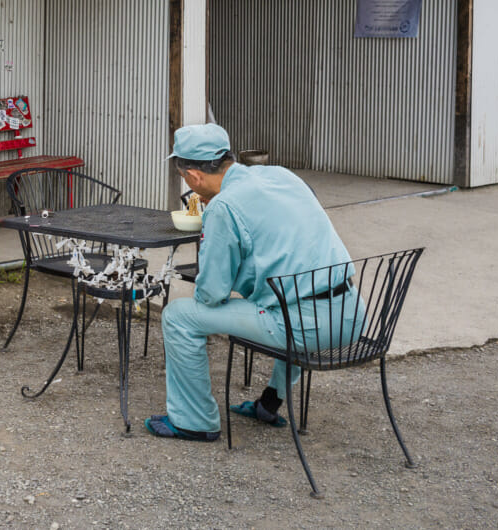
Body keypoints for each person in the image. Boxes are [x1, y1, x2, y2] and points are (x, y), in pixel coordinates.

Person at [144, 123, 359, 442]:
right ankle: (268, 404)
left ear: (194, 177)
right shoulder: (281, 175)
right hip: (352, 314)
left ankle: (194, 421)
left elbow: (211, 295)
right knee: (280, 297)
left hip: (308, 327)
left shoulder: (224, 206)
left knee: (178, 316)